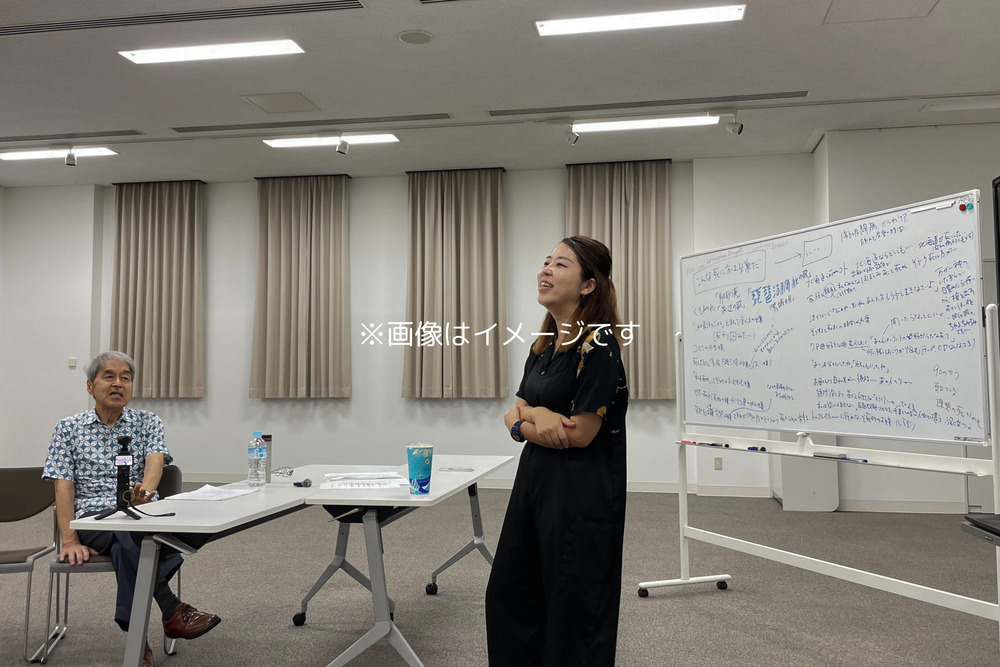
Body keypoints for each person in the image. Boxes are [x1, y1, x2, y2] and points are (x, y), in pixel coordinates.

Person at [485, 236, 629, 667]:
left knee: (573, 603)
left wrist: (523, 420)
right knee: (512, 592)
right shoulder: (544, 344)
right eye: (546, 261)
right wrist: (536, 416)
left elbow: (578, 434)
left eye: (561, 264)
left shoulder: (598, 345)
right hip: (534, 482)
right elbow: (515, 410)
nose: (546, 269)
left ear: (588, 285)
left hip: (580, 490)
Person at [42, 351, 220, 667]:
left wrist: (145, 494)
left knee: (128, 542)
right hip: (93, 519)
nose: (118, 383)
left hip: (140, 513)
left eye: (125, 377)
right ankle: (172, 610)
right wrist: (69, 539)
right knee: (135, 537)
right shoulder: (68, 428)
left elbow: (155, 463)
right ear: (90, 386)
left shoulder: (147, 422)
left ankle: (137, 639)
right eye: (109, 376)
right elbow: (62, 487)